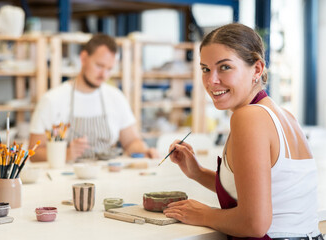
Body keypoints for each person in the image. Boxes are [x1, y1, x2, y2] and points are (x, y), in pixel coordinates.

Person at [163, 23, 323, 240]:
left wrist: (203, 214)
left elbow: (254, 224)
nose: (212, 80)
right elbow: (260, 189)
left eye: (225, 67)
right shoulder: (283, 115)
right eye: (205, 69)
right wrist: (198, 173)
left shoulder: (249, 117)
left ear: (257, 69)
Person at [29, 34, 158, 162]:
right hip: (67, 178)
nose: (104, 75)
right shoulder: (53, 100)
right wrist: (66, 154)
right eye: (99, 66)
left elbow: (131, 141)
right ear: (84, 58)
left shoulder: (116, 97)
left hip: (107, 176)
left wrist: (144, 151)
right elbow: (34, 153)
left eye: (109, 69)